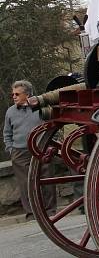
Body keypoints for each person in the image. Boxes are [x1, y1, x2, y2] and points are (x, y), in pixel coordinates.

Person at [4, 81, 55, 219]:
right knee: (25, 183)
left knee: (47, 179)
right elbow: (7, 133)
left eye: (17, 94)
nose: (13, 96)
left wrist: (49, 145)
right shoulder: (10, 112)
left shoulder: (41, 108)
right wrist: (11, 149)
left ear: (27, 94)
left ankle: (50, 211)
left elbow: (51, 127)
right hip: (20, 153)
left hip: (41, 149)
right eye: (12, 94)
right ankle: (32, 213)